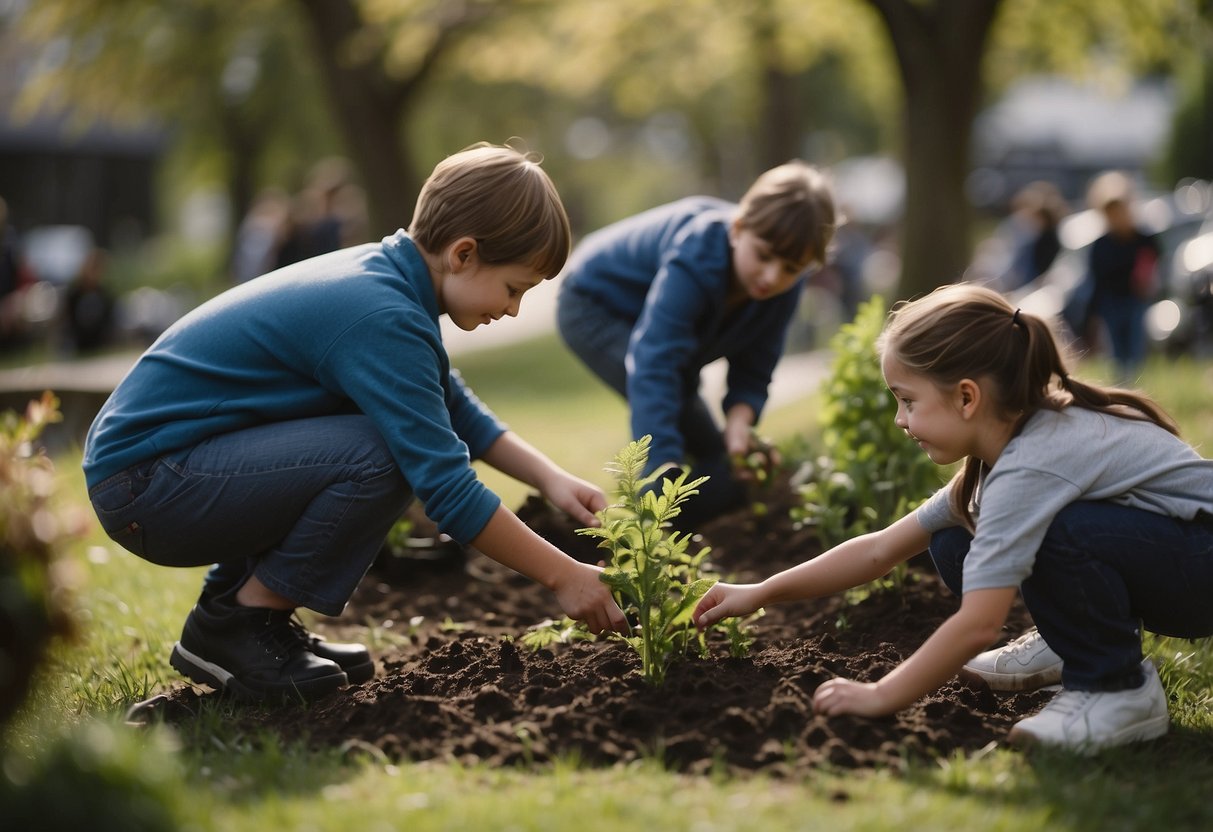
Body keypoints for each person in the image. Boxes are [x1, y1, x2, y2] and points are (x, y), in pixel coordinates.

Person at [83, 143, 628, 702]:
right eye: (514, 288)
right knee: (388, 453)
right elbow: (446, 487)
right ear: (463, 254)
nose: (513, 309)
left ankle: (232, 614)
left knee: (382, 431)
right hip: (150, 483)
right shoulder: (382, 315)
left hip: (161, 469)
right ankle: (243, 623)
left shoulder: (387, 280)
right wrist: (565, 575)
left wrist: (550, 480)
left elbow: (452, 405)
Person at [694, 283, 1213, 753]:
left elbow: (978, 625)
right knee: (951, 539)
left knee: (1061, 532)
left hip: (1201, 568)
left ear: (967, 397)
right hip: (1175, 562)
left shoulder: (1033, 462)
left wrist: (880, 695)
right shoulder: (1007, 447)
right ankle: (1069, 644)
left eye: (907, 400)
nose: (899, 420)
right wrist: (761, 591)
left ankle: (1116, 689)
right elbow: (880, 548)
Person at [556, 162, 836, 527]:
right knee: (672, 427)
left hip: (652, 329)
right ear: (738, 229)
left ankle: (697, 519)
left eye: (791, 268)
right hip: (594, 305)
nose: (773, 277)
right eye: (764, 256)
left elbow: (756, 364)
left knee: (718, 457)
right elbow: (654, 364)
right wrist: (661, 466)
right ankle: (652, 517)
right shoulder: (699, 252)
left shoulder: (786, 285)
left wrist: (740, 422)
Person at [1085, 171, 1161, 382]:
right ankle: (1122, 388)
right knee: (1116, 352)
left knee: (1135, 349)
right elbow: (1097, 280)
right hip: (1111, 303)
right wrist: (1093, 314)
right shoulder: (1101, 245)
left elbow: (1153, 262)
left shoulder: (1143, 238)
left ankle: (1137, 387)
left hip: (1135, 299)